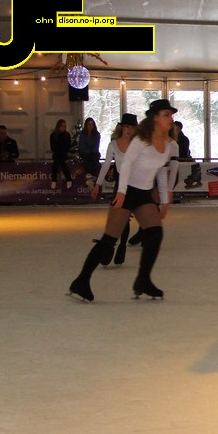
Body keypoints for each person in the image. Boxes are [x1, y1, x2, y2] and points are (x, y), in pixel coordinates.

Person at [68, 100, 176, 302]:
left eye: (171, 115)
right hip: (128, 192)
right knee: (109, 240)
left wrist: (164, 200)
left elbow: (161, 172)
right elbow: (126, 164)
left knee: (155, 233)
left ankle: (143, 280)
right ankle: (81, 281)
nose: (170, 118)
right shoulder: (141, 140)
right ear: (155, 118)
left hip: (144, 194)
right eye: (166, 115)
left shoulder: (168, 144)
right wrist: (122, 192)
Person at [91, 113, 139, 266]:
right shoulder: (113, 144)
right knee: (115, 215)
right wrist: (98, 184)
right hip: (120, 183)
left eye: (132, 127)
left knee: (125, 217)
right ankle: (110, 246)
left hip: (134, 183)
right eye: (126, 127)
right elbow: (106, 165)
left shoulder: (138, 144)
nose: (129, 130)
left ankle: (122, 246)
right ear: (122, 127)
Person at [77, 117, 101, 187]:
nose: (90, 126)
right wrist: (88, 152)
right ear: (86, 125)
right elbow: (82, 146)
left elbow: (96, 145)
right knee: (87, 159)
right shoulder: (83, 134)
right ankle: (89, 175)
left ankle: (93, 176)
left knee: (95, 158)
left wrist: (92, 152)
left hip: (94, 152)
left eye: (92, 124)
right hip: (84, 153)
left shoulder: (97, 134)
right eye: (89, 124)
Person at [49, 119, 73, 189]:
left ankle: (56, 180)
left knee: (62, 162)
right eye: (62, 126)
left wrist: (63, 150)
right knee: (56, 162)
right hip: (57, 154)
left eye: (65, 126)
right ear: (58, 126)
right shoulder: (53, 135)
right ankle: (56, 180)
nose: (63, 128)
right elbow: (53, 147)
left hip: (64, 154)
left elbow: (68, 146)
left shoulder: (67, 135)